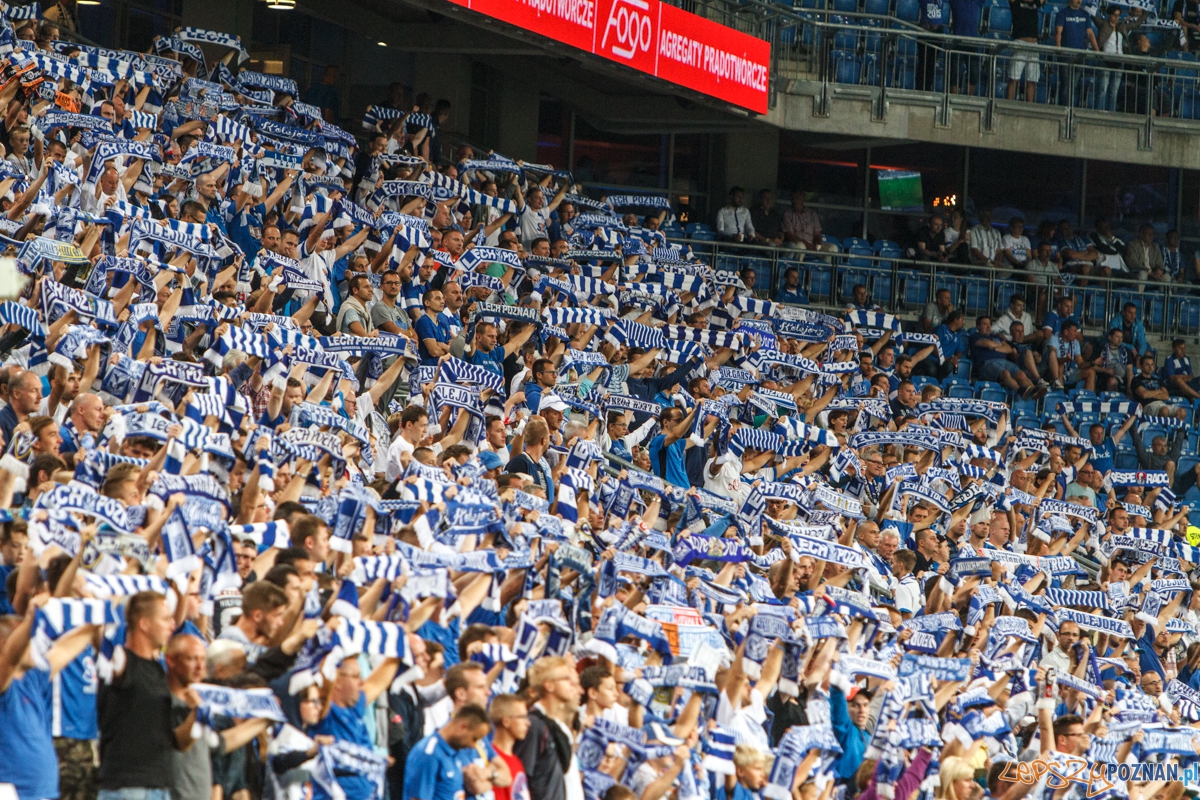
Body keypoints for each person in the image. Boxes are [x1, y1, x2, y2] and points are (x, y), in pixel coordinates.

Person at [1008, 0, 1045, 102]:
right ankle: (1008, 105)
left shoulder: (1035, 3)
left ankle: (1030, 106)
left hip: (1034, 44)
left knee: (1032, 80)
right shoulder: (1015, 2)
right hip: (1020, 42)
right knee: (1014, 78)